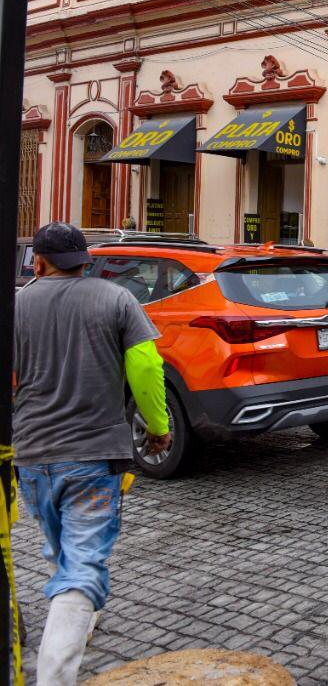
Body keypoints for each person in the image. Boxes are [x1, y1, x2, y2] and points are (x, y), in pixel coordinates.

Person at [13, 222, 172, 686]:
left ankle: (78, 613)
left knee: (60, 545)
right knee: (82, 564)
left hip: (32, 456)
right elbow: (145, 366)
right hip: (94, 457)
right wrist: (158, 428)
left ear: (38, 262)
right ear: (84, 260)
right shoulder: (116, 299)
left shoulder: (18, 305)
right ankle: (54, 675)